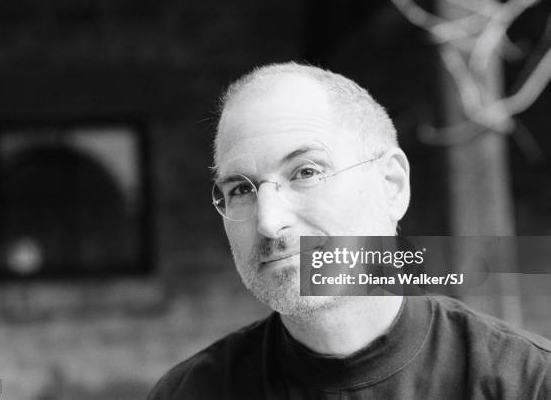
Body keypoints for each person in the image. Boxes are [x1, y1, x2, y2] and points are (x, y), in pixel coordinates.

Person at [149, 63, 551, 399]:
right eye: (240, 189)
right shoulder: (189, 392)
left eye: (306, 172)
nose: (269, 221)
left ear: (392, 185)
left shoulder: (527, 383)